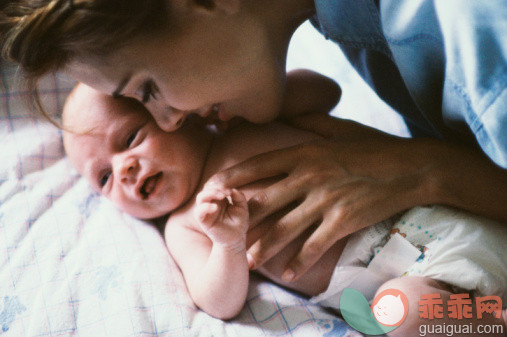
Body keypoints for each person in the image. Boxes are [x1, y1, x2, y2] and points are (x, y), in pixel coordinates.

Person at [1, 0, 506, 283]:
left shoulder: (466, 27)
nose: (170, 122)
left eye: (148, 89)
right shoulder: (351, 28)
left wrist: (423, 170)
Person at [62, 83, 507, 335]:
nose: (123, 170)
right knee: (400, 314)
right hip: (424, 286)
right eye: (102, 177)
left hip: (448, 211)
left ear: (175, 113)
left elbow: (325, 90)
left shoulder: (245, 124)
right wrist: (227, 244)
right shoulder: (188, 226)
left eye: (130, 139)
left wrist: (244, 99)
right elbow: (219, 301)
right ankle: (492, 320)